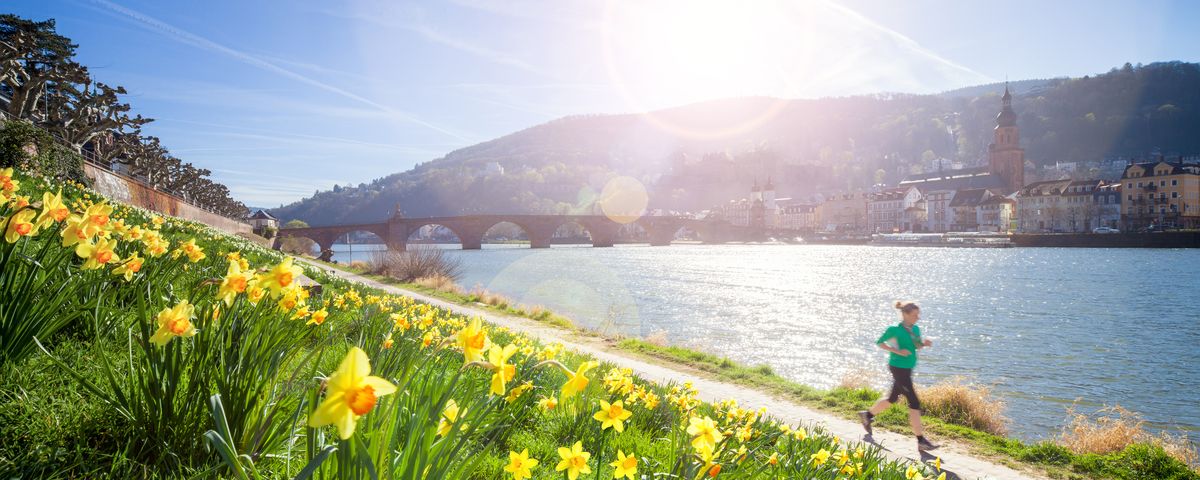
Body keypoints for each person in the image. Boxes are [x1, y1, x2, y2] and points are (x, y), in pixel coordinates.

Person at [858, 301, 938, 451]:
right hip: (898, 368)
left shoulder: (915, 329)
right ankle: (921, 441)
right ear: (905, 314)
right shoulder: (894, 330)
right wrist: (898, 352)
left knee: (892, 398)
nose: (917, 318)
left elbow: (916, 346)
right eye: (914, 315)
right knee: (914, 402)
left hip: (908, 368)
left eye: (918, 314)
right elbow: (880, 343)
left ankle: (867, 416)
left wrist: (924, 344)